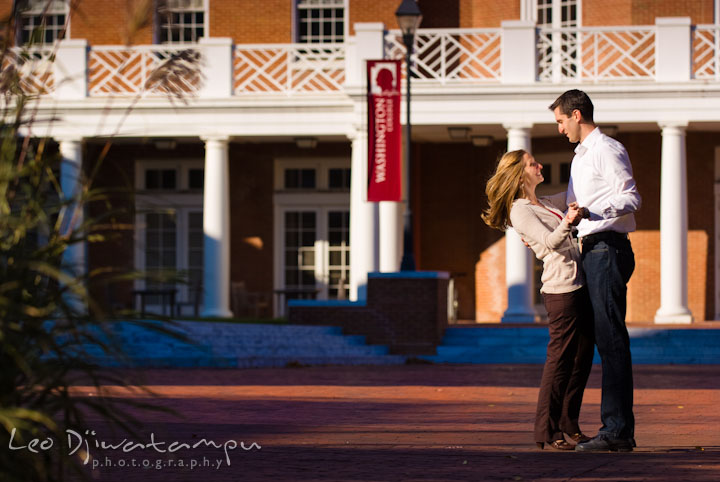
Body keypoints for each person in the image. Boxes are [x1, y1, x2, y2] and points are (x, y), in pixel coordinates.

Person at [482, 149, 595, 451]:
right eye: (533, 164)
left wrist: (587, 162)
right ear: (520, 176)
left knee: (581, 359)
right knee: (559, 362)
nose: (539, 165)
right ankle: (547, 430)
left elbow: (574, 191)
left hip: (579, 285)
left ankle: (570, 423)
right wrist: (569, 220)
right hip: (561, 291)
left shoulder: (542, 203)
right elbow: (549, 244)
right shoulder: (520, 210)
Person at [549, 89, 642, 452]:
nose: (559, 129)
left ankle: (617, 431)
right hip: (592, 250)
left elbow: (631, 197)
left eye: (560, 121)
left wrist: (591, 211)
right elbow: (571, 204)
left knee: (612, 340)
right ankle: (603, 427)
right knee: (599, 340)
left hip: (607, 249)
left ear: (576, 114)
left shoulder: (606, 149)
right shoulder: (581, 156)